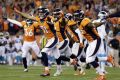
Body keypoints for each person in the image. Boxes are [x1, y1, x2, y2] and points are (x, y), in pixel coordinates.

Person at [14, 6, 60, 77]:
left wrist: (53, 22)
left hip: (54, 38)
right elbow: (28, 16)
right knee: (57, 56)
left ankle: (47, 70)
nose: (40, 14)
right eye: (40, 13)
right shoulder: (38, 19)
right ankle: (70, 64)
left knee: (43, 52)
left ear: (46, 13)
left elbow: (56, 21)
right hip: (49, 39)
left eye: (42, 13)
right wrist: (19, 12)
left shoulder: (49, 18)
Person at [73, 9, 111, 80]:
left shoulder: (85, 21)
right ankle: (103, 70)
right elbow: (82, 33)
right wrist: (81, 42)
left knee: (90, 59)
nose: (75, 18)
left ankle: (102, 74)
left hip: (95, 40)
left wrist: (102, 22)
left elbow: (93, 25)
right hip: (91, 42)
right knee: (88, 60)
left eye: (76, 16)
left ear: (80, 16)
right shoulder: (80, 23)